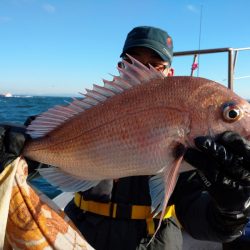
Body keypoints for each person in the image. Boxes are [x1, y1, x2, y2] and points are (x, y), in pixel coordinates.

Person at [1, 26, 250, 250]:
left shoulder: (203, 151)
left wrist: (232, 211)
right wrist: (14, 149)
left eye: (155, 65)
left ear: (170, 72)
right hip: (81, 232)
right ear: (121, 68)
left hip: (151, 242)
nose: (141, 70)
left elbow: (201, 218)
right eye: (131, 62)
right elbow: (34, 155)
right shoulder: (96, 111)